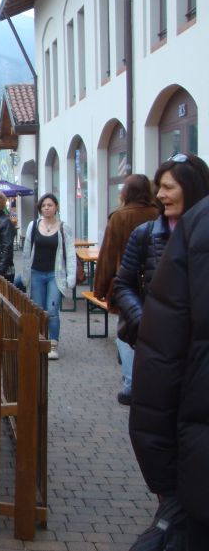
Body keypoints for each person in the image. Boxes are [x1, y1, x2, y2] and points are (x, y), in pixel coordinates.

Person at [130, 181, 209, 549]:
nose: (162, 195)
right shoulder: (191, 227)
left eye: (168, 186)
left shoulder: (196, 225)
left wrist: (162, 476)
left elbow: (159, 365)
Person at [113, 154, 209, 405]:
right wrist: (145, 322)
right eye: (159, 187)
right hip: (160, 352)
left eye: (168, 187)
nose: (160, 195)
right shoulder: (145, 234)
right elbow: (123, 284)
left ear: (191, 188)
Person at [91, 174, 158, 405]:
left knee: (125, 333)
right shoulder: (157, 214)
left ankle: (131, 384)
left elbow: (108, 255)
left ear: (126, 192)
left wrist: (100, 288)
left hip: (127, 285)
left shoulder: (119, 217)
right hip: (155, 283)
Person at [20, 193, 76, 360]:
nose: (46, 208)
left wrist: (71, 276)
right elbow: (26, 252)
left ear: (56, 207)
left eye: (50, 205)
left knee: (52, 311)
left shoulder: (64, 228)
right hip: (36, 273)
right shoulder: (33, 226)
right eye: (44, 205)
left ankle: (53, 344)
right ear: (40, 208)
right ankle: (40, 341)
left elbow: (70, 253)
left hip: (55, 275)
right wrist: (25, 274)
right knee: (38, 310)